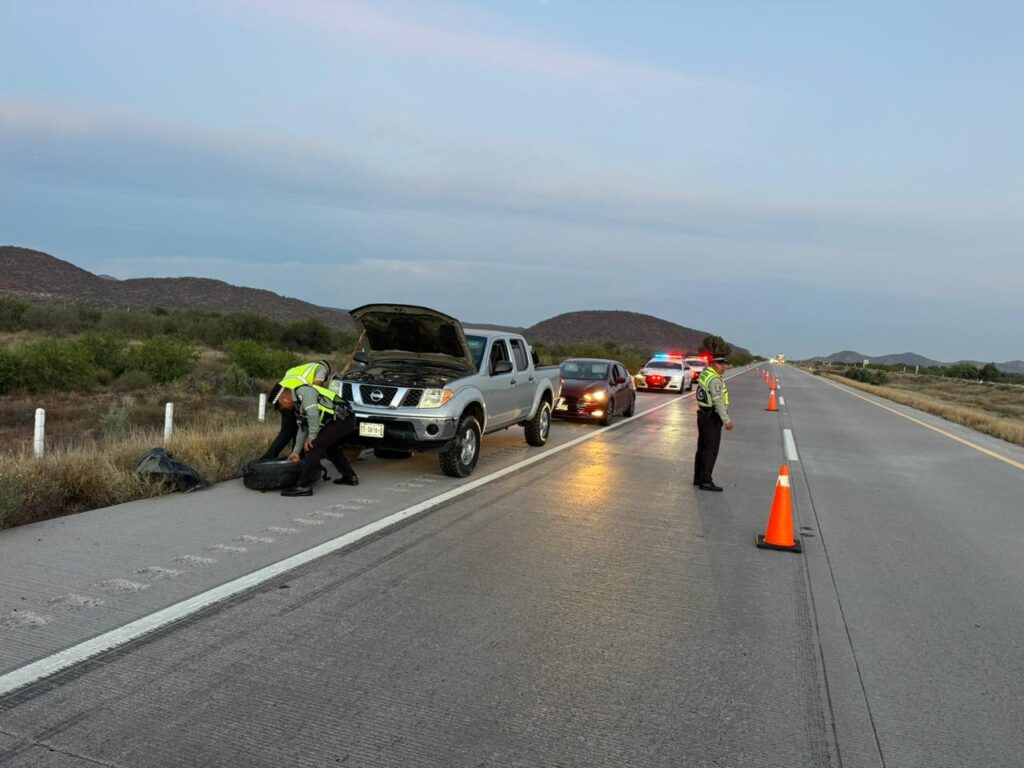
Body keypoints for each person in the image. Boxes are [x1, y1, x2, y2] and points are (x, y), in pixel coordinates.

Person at [275, 379, 359, 497]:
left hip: (343, 418)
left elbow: (313, 414)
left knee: (313, 446)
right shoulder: (298, 405)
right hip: (342, 420)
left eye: (280, 406)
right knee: (331, 448)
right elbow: (303, 429)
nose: (282, 409)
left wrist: (312, 436)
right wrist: (296, 452)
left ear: (285, 398)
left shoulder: (303, 391)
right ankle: (350, 477)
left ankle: (304, 486)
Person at [261, 360, 331, 460]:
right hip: (292, 400)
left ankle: (266, 459)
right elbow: (317, 387)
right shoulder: (321, 368)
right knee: (301, 428)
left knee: (285, 433)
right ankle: (296, 459)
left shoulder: (297, 369)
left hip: (281, 399)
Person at [693, 356, 733, 492]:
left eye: (724, 364)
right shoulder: (715, 379)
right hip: (711, 417)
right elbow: (718, 401)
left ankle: (698, 477)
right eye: (720, 363)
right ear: (712, 364)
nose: (723, 367)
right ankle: (706, 481)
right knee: (710, 450)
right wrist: (726, 420)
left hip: (703, 415)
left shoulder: (705, 374)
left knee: (702, 448)